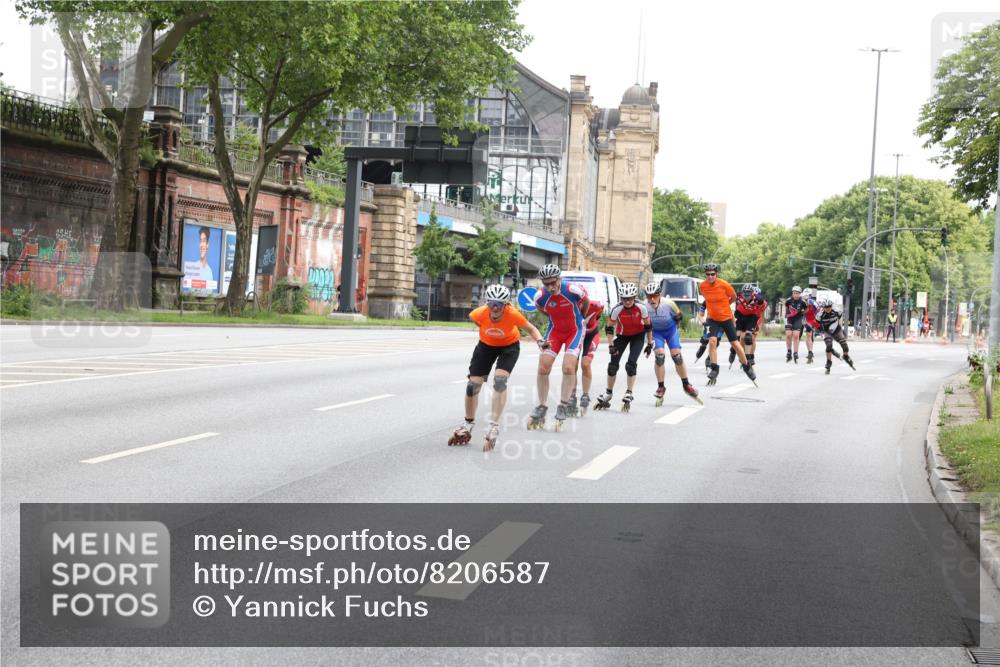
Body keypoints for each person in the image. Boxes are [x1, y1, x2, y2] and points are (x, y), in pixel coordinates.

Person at [449, 284, 547, 450]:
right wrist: (488, 332)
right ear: (487, 303)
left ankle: (494, 425)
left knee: (500, 381)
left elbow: (531, 329)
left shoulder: (513, 314)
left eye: (499, 304)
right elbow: (479, 323)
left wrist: (540, 341)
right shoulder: (478, 314)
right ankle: (468, 424)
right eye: (492, 304)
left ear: (506, 305)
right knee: (472, 386)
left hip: (509, 347)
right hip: (486, 346)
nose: (495, 308)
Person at [529, 264, 590, 431]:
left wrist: (581, 317)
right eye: (546, 283)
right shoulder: (540, 297)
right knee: (543, 367)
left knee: (569, 367)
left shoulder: (572, 290)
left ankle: (563, 405)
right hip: (555, 331)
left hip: (574, 330)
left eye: (553, 282)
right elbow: (542, 309)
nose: (550, 287)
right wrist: (554, 318)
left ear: (559, 279)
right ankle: (542, 406)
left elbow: (586, 302)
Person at [594, 282, 651, 412]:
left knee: (630, 365)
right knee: (613, 366)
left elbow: (648, 326)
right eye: (624, 299)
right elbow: (609, 327)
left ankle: (629, 392)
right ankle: (608, 393)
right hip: (622, 335)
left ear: (634, 297)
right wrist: (611, 345)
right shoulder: (617, 309)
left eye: (630, 298)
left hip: (638, 336)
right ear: (621, 298)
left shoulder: (641, 308)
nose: (627, 301)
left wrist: (650, 343)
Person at [644, 281, 701, 406]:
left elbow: (679, 316)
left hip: (671, 331)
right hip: (656, 332)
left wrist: (676, 331)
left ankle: (686, 384)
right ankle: (661, 387)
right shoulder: (644, 307)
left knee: (677, 357)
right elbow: (643, 325)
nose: (652, 299)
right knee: (659, 357)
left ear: (659, 295)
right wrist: (648, 343)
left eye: (655, 295)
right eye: (649, 296)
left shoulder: (669, 304)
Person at [698, 264, 756, 386]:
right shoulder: (702, 286)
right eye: (708, 274)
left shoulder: (724, 285)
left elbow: (734, 297)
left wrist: (725, 304)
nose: (710, 277)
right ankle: (714, 368)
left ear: (716, 274)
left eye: (712, 274)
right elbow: (706, 299)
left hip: (726, 318)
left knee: (735, 343)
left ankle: (746, 366)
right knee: (712, 341)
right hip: (712, 319)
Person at [570, 298, 605, 416]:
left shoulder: (595, 305)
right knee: (571, 366)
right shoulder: (568, 305)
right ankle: (572, 395)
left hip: (591, 335)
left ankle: (585, 395)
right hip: (576, 335)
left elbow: (600, 312)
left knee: (585, 364)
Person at [814, 297, 855, 374]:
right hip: (827, 331)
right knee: (829, 345)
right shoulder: (820, 315)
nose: (828, 308)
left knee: (844, 344)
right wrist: (821, 331)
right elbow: (817, 323)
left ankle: (846, 356)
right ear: (823, 308)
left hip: (837, 329)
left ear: (831, 306)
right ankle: (829, 362)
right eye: (826, 307)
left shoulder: (837, 311)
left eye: (829, 306)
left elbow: (839, 317)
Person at [731, 284, 767, 368]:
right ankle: (743, 355)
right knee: (742, 338)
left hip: (755, 319)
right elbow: (739, 308)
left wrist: (760, 323)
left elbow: (761, 314)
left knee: (750, 338)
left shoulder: (761, 301)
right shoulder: (742, 299)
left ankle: (750, 356)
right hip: (745, 318)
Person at [694, 302, 724, 370]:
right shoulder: (707, 300)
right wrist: (703, 322)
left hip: (721, 323)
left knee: (716, 341)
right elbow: (700, 314)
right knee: (706, 339)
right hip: (710, 322)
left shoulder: (723, 298)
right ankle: (703, 346)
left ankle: (709, 359)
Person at [784, 285, 807, 363]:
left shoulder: (803, 301)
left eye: (797, 293)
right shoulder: (788, 300)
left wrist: (802, 314)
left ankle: (796, 352)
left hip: (798, 319)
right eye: (794, 293)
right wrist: (787, 315)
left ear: (800, 294)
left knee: (796, 335)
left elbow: (807, 309)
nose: (796, 295)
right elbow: (786, 308)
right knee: (788, 335)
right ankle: (789, 351)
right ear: (792, 293)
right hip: (789, 319)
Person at [801, 288, 818, 364]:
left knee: (809, 335)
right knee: (806, 335)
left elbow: (818, 310)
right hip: (803, 320)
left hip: (811, 320)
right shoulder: (800, 302)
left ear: (810, 296)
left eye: (807, 296)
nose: (806, 297)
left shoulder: (813, 302)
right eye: (804, 296)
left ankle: (810, 351)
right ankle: (810, 351)